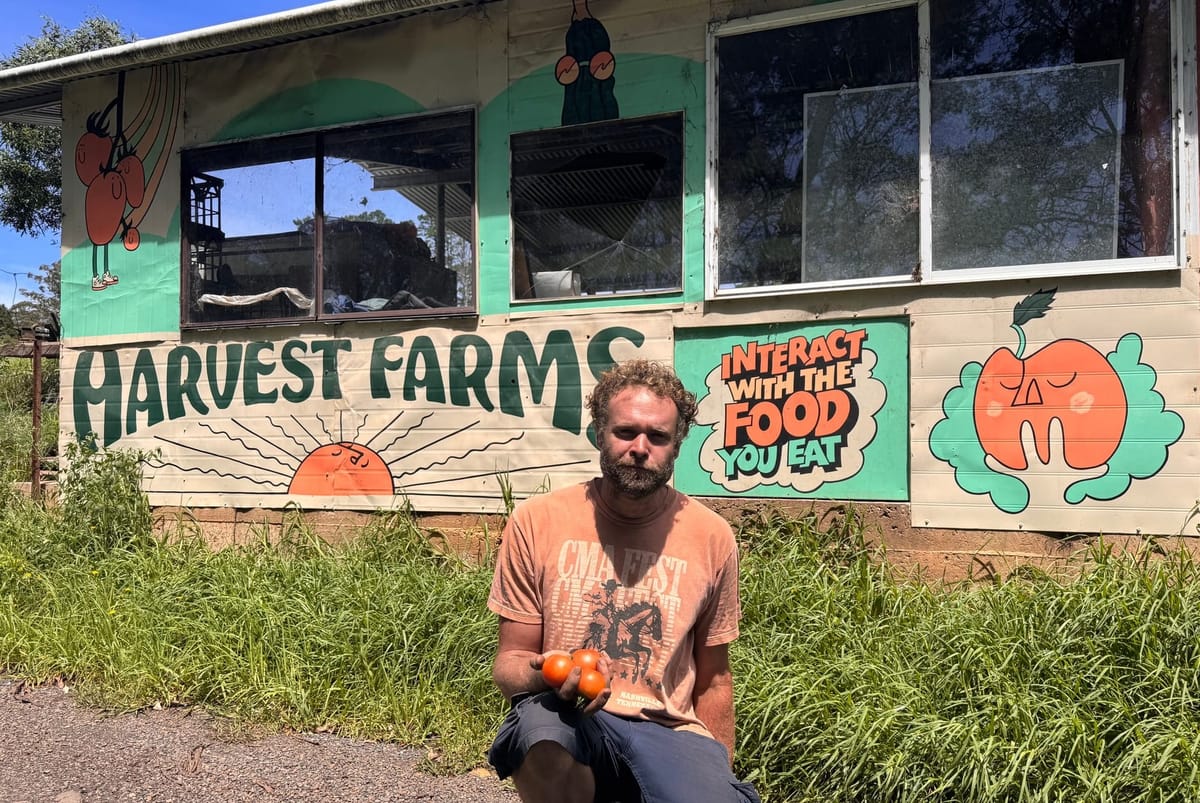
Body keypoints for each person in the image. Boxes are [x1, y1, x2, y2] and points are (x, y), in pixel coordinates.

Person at [487, 359, 761, 803]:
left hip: (667, 727)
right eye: (625, 432)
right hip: (567, 713)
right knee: (542, 741)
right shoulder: (537, 521)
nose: (640, 447)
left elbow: (714, 679)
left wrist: (717, 770)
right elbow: (510, 662)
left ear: (676, 445)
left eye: (657, 437)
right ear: (599, 434)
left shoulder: (712, 537)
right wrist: (542, 677)